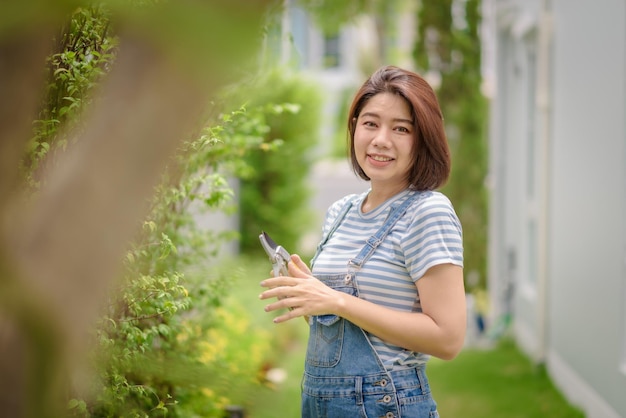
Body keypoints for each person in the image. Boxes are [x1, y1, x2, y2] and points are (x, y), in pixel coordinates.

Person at [259, 65, 465, 418]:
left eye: (401, 129)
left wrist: (337, 301)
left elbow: (447, 338)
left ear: (423, 138)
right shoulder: (342, 211)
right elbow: (352, 328)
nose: (381, 140)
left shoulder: (428, 212)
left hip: (385, 405)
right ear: (354, 128)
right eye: (370, 123)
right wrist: (312, 297)